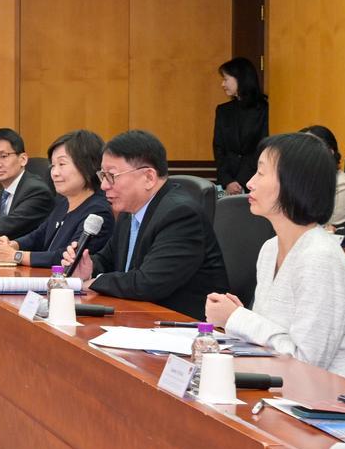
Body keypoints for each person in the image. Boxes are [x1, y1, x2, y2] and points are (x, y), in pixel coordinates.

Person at [203, 134, 345, 380]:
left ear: (294, 183)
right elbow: (269, 338)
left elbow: (306, 362)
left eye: (261, 173)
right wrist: (239, 318)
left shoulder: (320, 257)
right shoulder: (270, 249)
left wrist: (237, 319)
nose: (250, 183)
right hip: (277, 385)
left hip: (328, 396)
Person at [62, 130, 228, 319]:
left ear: (149, 177)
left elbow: (148, 283)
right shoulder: (129, 212)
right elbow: (107, 260)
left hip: (182, 324)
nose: (104, 186)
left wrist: (94, 282)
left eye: (112, 176)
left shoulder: (181, 214)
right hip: (138, 317)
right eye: (103, 176)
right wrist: (89, 268)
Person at [0, 129, 113, 270]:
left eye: (62, 164)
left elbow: (68, 257)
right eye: (53, 165)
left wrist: (15, 255)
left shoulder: (98, 212)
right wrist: (10, 245)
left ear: (87, 164)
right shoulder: (63, 203)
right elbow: (39, 235)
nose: (54, 173)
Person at [213, 57, 268, 195]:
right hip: (228, 184)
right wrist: (228, 181)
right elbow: (219, 148)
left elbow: (263, 147)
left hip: (256, 182)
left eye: (226, 79)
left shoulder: (265, 109)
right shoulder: (223, 110)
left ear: (240, 79)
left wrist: (242, 181)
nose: (222, 84)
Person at [299, 125, 345, 227]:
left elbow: (330, 227)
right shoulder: (301, 181)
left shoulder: (342, 184)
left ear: (330, 152)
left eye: (310, 148)